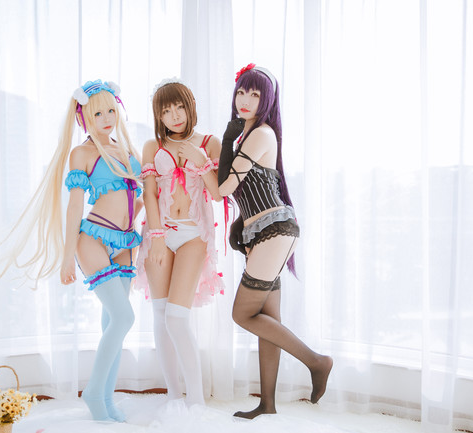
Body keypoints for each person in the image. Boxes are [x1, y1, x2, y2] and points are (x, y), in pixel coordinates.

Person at [0, 79, 142, 422]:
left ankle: (106, 399)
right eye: (98, 114)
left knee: (114, 322)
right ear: (84, 118)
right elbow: (74, 207)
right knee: (124, 317)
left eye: (111, 111)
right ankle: (93, 393)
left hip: (125, 240)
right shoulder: (82, 153)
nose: (107, 118)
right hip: (93, 239)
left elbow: (135, 198)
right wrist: (67, 256)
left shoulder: (126, 151)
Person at [217, 64, 333, 419]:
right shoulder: (251, 135)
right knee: (268, 318)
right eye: (241, 92)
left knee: (242, 313)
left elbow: (223, 187)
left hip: (274, 231)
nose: (245, 99)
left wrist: (225, 141)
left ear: (267, 100)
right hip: (266, 232)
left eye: (255, 94)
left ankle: (317, 362)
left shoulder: (260, 134)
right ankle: (267, 404)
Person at [135, 78, 224, 407]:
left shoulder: (210, 143)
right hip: (159, 233)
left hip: (193, 235)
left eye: (179, 107)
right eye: (166, 110)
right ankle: (174, 396)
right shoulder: (152, 146)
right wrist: (157, 239)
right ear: (158, 115)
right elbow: (149, 193)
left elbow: (217, 194)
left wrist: (201, 162)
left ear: (190, 107)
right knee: (160, 315)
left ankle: (196, 402)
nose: (174, 116)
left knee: (176, 317)